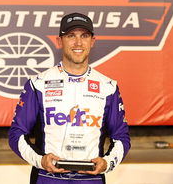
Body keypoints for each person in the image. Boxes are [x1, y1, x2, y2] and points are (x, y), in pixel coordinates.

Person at [8, 12, 130, 183]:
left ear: (92, 41)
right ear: (59, 41)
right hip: (47, 178)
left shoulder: (108, 87)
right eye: (71, 36)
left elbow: (121, 137)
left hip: (91, 180)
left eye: (84, 36)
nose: (78, 42)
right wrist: (40, 160)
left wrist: (108, 163)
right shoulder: (38, 84)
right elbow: (17, 133)